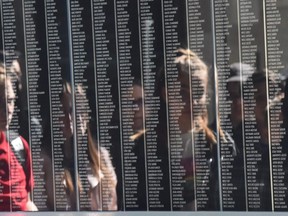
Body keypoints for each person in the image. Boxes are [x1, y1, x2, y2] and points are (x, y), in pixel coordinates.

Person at [60, 81, 117, 211]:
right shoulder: (47, 161)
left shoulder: (101, 156)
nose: (76, 118)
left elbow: (112, 205)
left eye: (81, 111)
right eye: (67, 111)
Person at [0, 68, 37, 211]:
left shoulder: (19, 145)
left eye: (10, 101)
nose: (7, 109)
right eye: (0, 101)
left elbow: (26, 201)